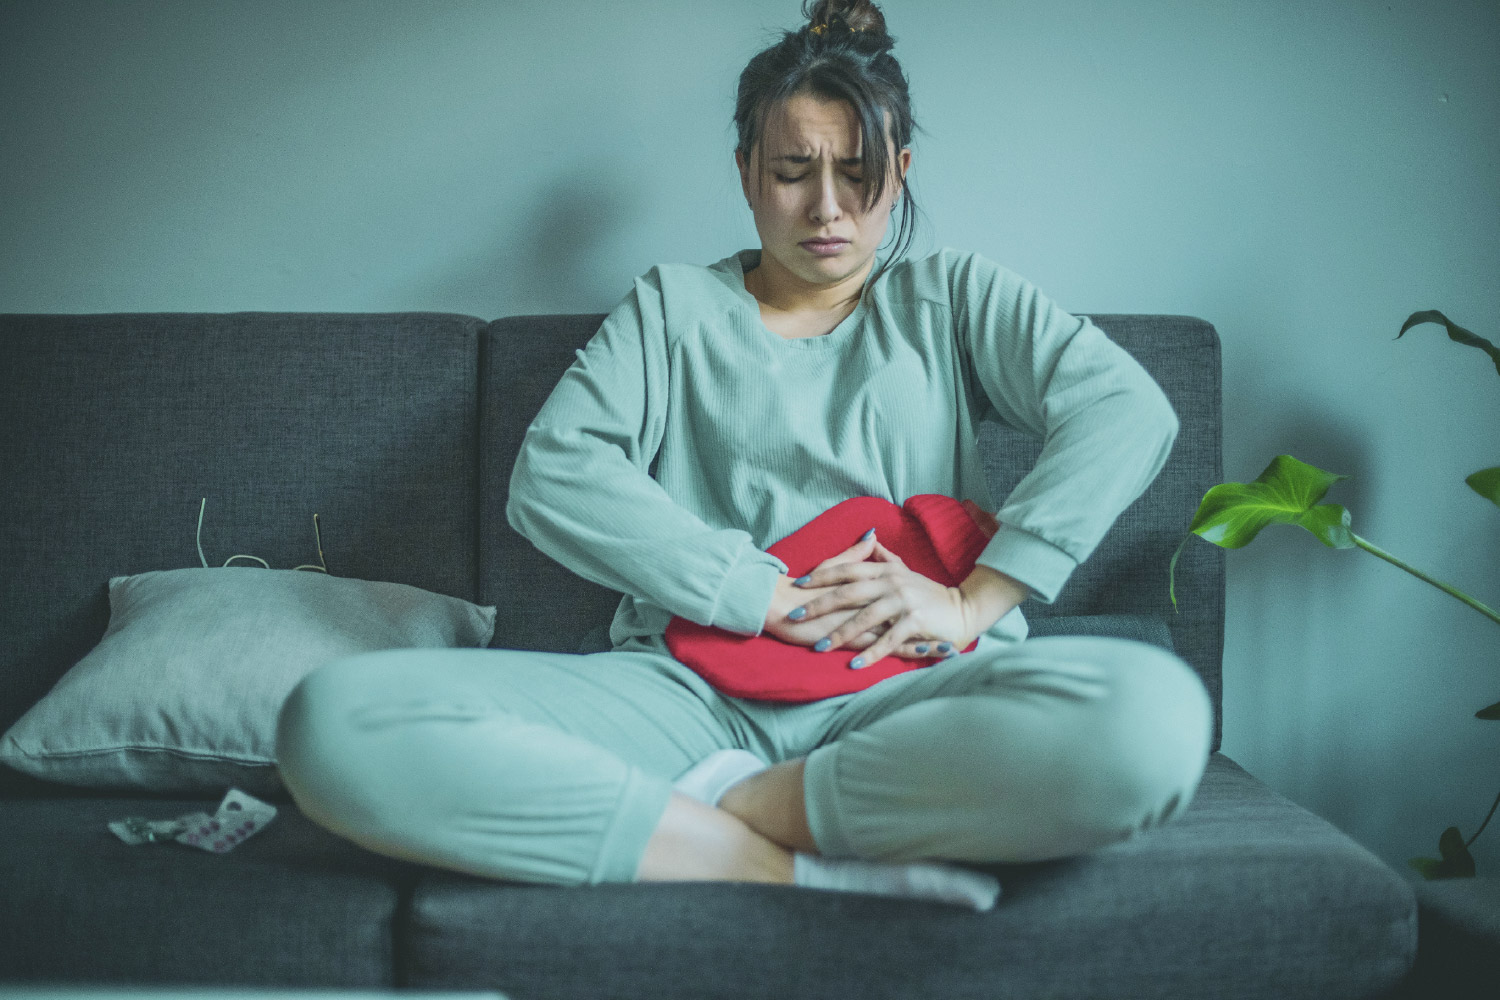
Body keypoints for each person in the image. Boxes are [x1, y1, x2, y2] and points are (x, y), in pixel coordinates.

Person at [275, 0, 1212, 912]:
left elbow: (1125, 409)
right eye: (793, 171)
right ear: (745, 173)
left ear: (902, 170)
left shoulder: (951, 298)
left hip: (914, 695)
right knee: (334, 721)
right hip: (684, 697)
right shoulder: (673, 310)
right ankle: (771, 862)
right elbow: (554, 473)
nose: (828, 209)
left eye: (859, 172)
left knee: (1154, 720)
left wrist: (975, 600)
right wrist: (758, 594)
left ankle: (751, 803)